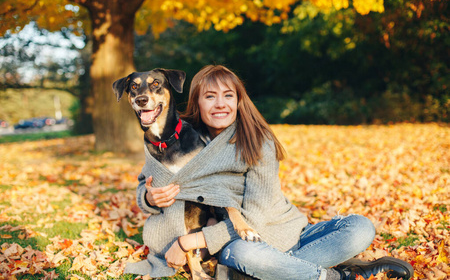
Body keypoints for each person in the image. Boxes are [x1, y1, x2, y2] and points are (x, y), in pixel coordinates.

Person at [142, 65, 414, 280]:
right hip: (246, 245)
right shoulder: (182, 141)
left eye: (228, 96)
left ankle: (266, 273)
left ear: (239, 101)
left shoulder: (257, 140)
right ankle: (339, 276)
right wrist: (150, 198)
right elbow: (145, 185)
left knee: (360, 227)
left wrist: (190, 241)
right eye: (210, 97)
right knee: (241, 253)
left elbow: (256, 218)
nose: (220, 104)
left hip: (290, 234)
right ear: (197, 102)